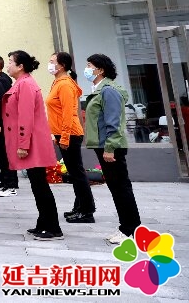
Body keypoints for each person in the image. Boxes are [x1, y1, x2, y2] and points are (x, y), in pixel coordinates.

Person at [3, 50, 61, 241]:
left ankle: (53, 227)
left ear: (20, 66)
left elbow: (26, 117)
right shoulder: (21, 83)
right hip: (31, 141)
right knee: (37, 184)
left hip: (32, 142)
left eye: (10, 62)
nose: (8, 65)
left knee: (40, 185)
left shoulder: (26, 84)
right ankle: (43, 222)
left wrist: (23, 144)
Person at [83, 53, 141, 245]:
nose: (87, 69)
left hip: (111, 146)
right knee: (116, 187)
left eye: (90, 65)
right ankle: (126, 226)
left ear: (100, 70)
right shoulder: (99, 89)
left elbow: (113, 122)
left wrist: (110, 148)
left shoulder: (108, 90)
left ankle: (130, 229)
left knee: (121, 187)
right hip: (104, 145)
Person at [46, 52, 95, 225]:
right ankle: (79, 206)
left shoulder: (65, 84)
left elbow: (68, 113)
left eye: (52, 61)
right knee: (75, 173)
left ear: (62, 65)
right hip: (63, 133)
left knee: (77, 173)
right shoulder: (58, 82)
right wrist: (57, 135)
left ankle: (87, 211)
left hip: (71, 133)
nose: (49, 64)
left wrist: (65, 137)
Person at [0, 55, 19, 196]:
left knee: (5, 154)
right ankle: (5, 180)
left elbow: (3, 104)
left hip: (3, 124)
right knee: (0, 154)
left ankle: (10, 183)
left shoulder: (2, 81)